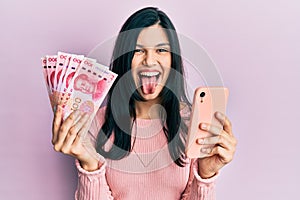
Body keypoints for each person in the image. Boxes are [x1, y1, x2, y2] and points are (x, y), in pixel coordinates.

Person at [52, 7, 237, 200]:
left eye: (161, 50)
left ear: (172, 59)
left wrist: (205, 176)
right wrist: (90, 166)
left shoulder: (192, 124)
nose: (150, 60)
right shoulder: (96, 124)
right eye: (138, 50)